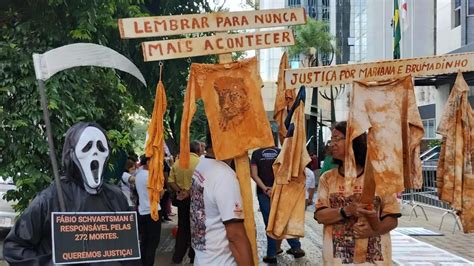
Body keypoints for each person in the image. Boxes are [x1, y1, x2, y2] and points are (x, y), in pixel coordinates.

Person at [3, 122, 139, 265]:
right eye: (87, 147)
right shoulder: (50, 199)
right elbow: (14, 247)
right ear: (72, 154)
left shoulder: (116, 197)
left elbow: (130, 252)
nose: (95, 153)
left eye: (100, 147)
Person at [314, 121, 401, 265]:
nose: (332, 144)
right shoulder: (328, 178)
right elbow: (320, 215)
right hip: (337, 259)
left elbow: (392, 219)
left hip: (374, 260)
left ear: (353, 141)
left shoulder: (379, 177)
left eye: (337, 139)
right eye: (332, 139)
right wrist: (346, 210)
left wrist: (372, 231)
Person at [190, 131, 253, 266]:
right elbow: (235, 236)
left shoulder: (202, 163)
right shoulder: (224, 176)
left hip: (203, 259)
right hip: (221, 261)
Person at [250, 146, 305, 264]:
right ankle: (295, 246)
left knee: (270, 223)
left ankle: (271, 254)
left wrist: (265, 189)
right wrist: (276, 189)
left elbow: (254, 175)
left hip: (263, 192)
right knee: (283, 219)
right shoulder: (281, 151)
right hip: (280, 191)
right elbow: (286, 172)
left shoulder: (256, 153)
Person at [168, 141, 202, 264]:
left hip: (182, 200)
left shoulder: (177, 163)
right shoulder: (200, 163)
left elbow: (171, 181)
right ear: (198, 151)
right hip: (197, 201)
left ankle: (177, 257)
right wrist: (190, 192)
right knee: (197, 228)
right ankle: (193, 256)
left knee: (183, 228)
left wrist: (181, 190)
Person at [135, 156, 162, 266]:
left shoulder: (138, 174)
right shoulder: (151, 177)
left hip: (142, 211)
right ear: (147, 162)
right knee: (153, 243)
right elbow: (159, 195)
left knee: (144, 241)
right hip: (153, 211)